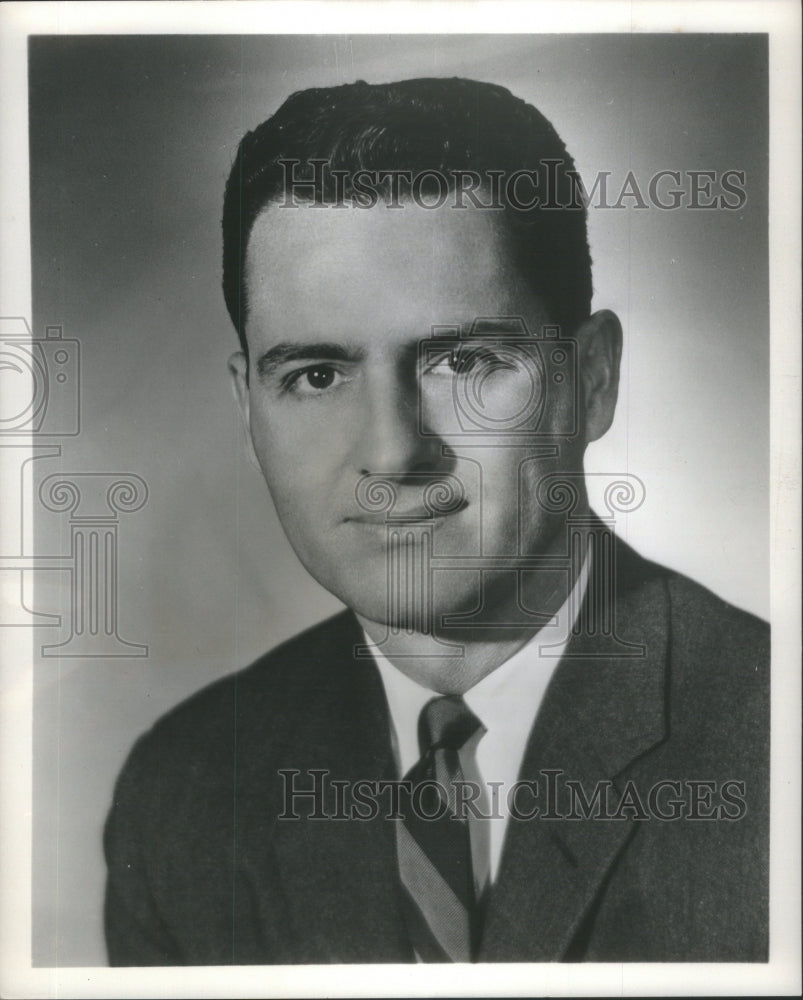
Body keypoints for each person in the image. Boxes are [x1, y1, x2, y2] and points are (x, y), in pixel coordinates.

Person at [103, 78, 769, 965]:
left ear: (592, 380)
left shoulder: (773, 747)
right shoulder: (182, 795)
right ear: (248, 406)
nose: (390, 452)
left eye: (462, 359)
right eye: (316, 374)